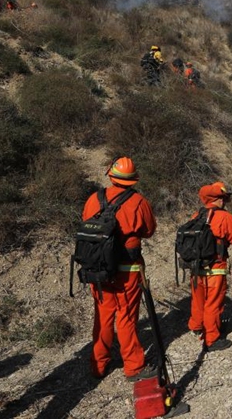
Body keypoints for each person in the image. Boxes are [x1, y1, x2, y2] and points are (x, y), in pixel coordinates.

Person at [81, 157, 158, 381]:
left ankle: (98, 365)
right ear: (133, 180)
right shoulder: (139, 202)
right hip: (127, 270)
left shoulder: (94, 199)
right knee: (125, 317)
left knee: (103, 317)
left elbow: (86, 223)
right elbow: (149, 230)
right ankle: (134, 367)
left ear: (111, 175)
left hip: (98, 270)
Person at [188, 182, 232, 351]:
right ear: (219, 199)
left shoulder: (196, 215)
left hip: (196, 268)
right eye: (224, 198)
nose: (225, 201)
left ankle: (196, 325)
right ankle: (212, 339)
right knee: (213, 303)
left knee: (198, 300)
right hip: (215, 268)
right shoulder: (224, 217)